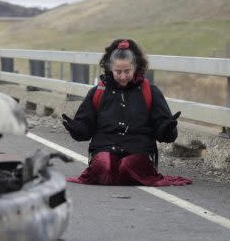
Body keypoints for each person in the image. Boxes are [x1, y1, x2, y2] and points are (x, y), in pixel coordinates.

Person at [61, 38, 192, 186]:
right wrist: (75, 128)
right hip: (105, 147)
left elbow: (163, 129)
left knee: (127, 166)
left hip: (139, 149)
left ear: (135, 67)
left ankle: (121, 173)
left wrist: (168, 128)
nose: (123, 76)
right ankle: (113, 173)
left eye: (127, 71)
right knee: (104, 165)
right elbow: (85, 127)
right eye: (118, 72)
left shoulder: (150, 91)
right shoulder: (98, 91)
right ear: (110, 68)